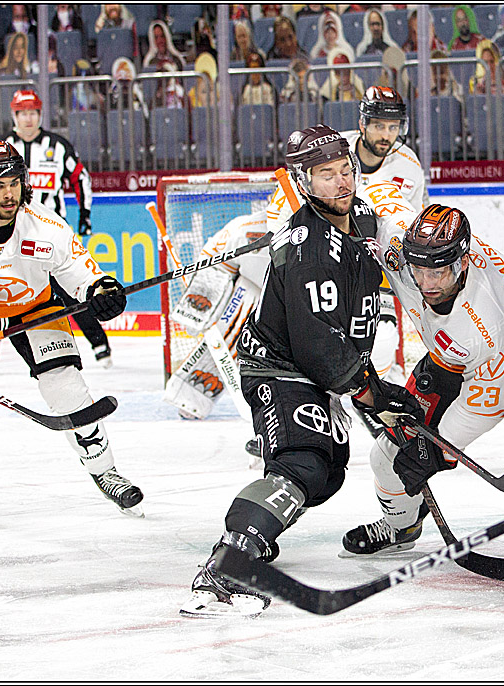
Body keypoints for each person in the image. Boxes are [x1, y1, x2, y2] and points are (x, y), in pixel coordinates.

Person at [179, 125, 421, 617]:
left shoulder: (363, 218)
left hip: (316, 368)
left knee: (326, 474)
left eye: (345, 170)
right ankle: (230, 561)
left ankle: (259, 524)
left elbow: (352, 314)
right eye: (326, 175)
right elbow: (315, 344)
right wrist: (370, 391)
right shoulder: (306, 244)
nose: (341, 182)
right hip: (280, 367)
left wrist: (369, 379)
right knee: (304, 462)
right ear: (304, 183)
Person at [340, 202, 504, 557]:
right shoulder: (402, 248)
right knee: (385, 455)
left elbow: (486, 405)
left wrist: (435, 451)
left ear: (462, 263)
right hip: (450, 355)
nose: (427, 284)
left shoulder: (483, 322)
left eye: (440, 273)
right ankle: (402, 526)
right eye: (419, 271)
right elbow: (373, 205)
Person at [0, 141, 143, 524]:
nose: (9, 193)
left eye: (15, 182)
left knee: (65, 386)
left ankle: (105, 471)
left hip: (34, 307)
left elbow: (79, 268)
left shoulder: (46, 224)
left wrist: (101, 289)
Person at [266, 86, 427, 384]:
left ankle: (361, 390)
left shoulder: (410, 165)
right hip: (323, 261)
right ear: (363, 123)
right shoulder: (331, 149)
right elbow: (283, 207)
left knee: (382, 342)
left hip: (370, 265)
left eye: (393, 127)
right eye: (379, 125)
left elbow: (407, 223)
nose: (386, 135)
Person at [4, 89, 114, 368]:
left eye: (33, 112)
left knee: (70, 289)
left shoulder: (58, 145)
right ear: (14, 116)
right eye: (22, 113)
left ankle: (99, 344)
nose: (28, 119)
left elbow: (80, 178)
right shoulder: (3, 148)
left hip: (51, 235)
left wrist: (85, 215)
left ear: (40, 114)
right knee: (2, 289)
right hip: (11, 236)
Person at [163, 213, 270, 420]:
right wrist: (200, 306)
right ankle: (190, 396)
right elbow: (213, 262)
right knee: (239, 314)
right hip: (256, 289)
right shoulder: (246, 230)